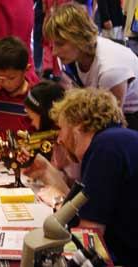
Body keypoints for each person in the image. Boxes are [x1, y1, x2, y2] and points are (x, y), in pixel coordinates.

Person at [50, 88, 138, 267]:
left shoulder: (106, 147)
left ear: (78, 124)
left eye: (60, 128)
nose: (59, 139)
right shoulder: (117, 141)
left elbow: (90, 234)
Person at [43, 2, 138, 130]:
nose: (54, 52)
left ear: (79, 38)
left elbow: (112, 124)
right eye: (53, 44)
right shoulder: (71, 58)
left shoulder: (110, 69)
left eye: (60, 44)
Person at [18, 81, 80, 195]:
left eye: (32, 119)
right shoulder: (52, 140)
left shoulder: (71, 144)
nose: (32, 125)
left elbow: (69, 187)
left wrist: (45, 171)